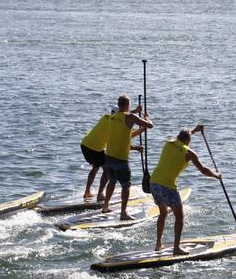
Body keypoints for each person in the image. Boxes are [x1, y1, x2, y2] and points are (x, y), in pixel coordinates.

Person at [150, 126, 221, 255]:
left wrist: (193, 131)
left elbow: (183, 138)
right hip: (168, 186)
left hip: (154, 183)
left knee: (163, 213)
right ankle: (176, 248)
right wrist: (216, 175)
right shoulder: (189, 153)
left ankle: (158, 243)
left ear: (178, 137)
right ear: (188, 141)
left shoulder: (169, 143)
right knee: (179, 216)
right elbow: (203, 170)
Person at [101, 94, 153, 220]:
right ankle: (123, 213)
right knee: (126, 186)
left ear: (118, 105)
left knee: (112, 181)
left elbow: (125, 132)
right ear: (127, 105)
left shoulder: (113, 117)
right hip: (120, 158)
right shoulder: (130, 117)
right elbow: (149, 125)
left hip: (109, 155)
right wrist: (147, 118)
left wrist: (136, 113)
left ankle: (105, 206)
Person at [80, 104, 144, 201]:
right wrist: (139, 134)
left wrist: (135, 113)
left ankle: (87, 191)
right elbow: (122, 140)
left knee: (96, 167)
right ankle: (100, 195)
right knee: (106, 170)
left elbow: (125, 117)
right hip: (95, 148)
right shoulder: (114, 123)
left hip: (85, 145)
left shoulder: (105, 118)